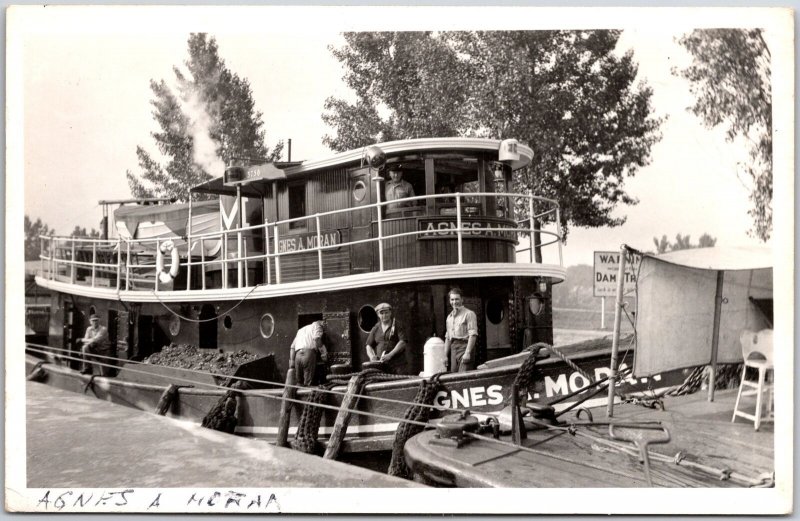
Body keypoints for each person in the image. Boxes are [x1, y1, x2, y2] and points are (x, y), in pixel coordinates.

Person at [365, 302, 408, 374]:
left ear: (390, 313)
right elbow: (368, 345)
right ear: (378, 315)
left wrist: (390, 355)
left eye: (386, 313)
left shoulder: (397, 325)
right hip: (382, 366)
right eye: (381, 313)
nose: (384, 315)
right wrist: (372, 357)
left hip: (398, 366)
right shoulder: (376, 328)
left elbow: (402, 342)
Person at [444, 288, 478, 372]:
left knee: (463, 375)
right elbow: (448, 338)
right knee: (454, 376)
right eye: (452, 299)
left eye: (457, 299)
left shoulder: (469, 314)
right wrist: (445, 355)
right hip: (453, 349)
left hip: (465, 347)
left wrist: (467, 353)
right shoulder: (449, 317)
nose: (454, 302)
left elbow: (473, 335)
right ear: (449, 300)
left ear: (462, 300)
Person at [290, 320, 329, 386]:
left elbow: (292, 347)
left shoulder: (301, 330)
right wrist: (324, 353)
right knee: (308, 383)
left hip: (297, 355)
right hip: (308, 354)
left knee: (299, 382)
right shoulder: (317, 325)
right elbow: (317, 339)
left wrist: (292, 361)